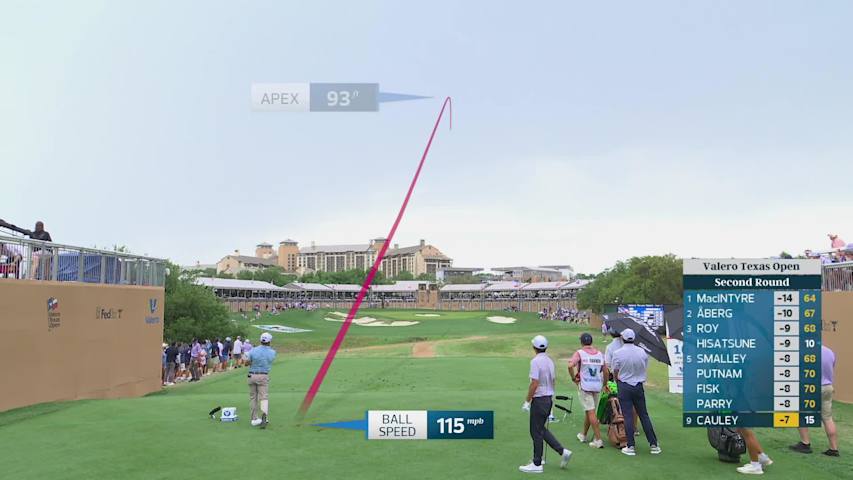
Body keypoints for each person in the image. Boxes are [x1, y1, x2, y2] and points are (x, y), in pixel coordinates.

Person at [519, 335, 572, 473]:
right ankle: (562, 451)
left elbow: (534, 383)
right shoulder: (550, 361)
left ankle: (537, 464)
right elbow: (553, 381)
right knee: (540, 429)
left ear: (534, 347)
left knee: (535, 431)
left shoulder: (535, 361)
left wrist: (527, 401)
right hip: (548, 399)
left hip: (539, 400)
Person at [611, 328, 660, 456]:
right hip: (638, 385)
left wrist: (617, 380)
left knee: (627, 416)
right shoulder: (642, 352)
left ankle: (631, 446)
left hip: (624, 385)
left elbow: (615, 370)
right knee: (643, 415)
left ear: (623, 338)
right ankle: (654, 444)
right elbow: (644, 367)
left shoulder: (618, 353)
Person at [790, 345, 840, 456]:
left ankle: (805, 443)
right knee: (827, 417)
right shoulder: (829, 352)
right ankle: (833, 448)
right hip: (827, 387)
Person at [568, 332, 605, 448]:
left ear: (582, 342)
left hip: (585, 386)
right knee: (589, 411)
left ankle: (598, 439)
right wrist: (604, 384)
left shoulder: (580, 353)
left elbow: (570, 366)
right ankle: (583, 434)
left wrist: (573, 378)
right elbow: (605, 370)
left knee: (591, 412)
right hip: (597, 386)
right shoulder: (599, 354)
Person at [246, 332, 277, 428]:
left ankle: (254, 419)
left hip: (252, 375)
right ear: (269, 341)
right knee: (263, 397)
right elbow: (269, 361)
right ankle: (264, 417)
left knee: (253, 398)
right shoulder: (272, 352)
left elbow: (247, 363)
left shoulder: (253, 350)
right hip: (263, 375)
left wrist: (251, 362)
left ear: (260, 340)